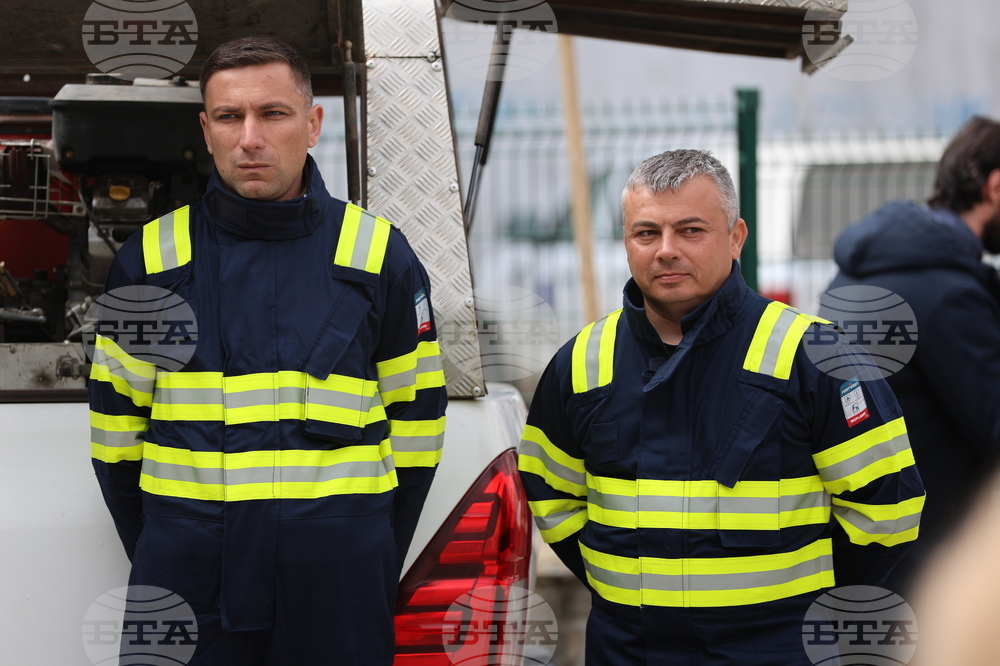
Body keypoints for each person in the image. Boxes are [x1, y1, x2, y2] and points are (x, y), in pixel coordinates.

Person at [88, 36, 447, 664]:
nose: (250, 138)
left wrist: (360, 550)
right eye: (230, 117)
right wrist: (173, 547)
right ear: (206, 131)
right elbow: (116, 439)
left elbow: (417, 426)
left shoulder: (377, 255)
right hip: (186, 579)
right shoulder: (149, 263)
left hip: (336, 585)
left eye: (273, 113)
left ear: (312, 124)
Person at [518, 149, 924, 664]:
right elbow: (550, 494)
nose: (666, 250)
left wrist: (797, 615)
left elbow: (887, 508)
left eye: (691, 230)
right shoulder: (580, 362)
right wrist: (625, 586)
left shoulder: (816, 357)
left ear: (736, 237)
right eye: (646, 233)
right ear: (626, 241)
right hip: (627, 652)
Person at [826, 116, 1000, 596]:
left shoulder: (857, 271)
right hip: (932, 560)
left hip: (861, 545)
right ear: (995, 187)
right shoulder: (949, 296)